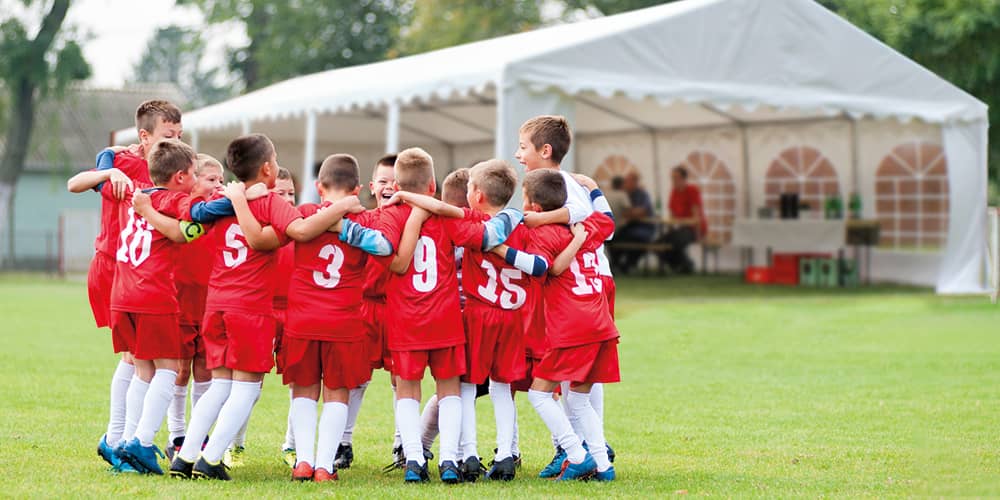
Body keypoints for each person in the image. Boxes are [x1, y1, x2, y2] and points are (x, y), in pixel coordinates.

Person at [168, 133, 361, 481]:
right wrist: (342, 207)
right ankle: (210, 460)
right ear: (269, 168)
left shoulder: (222, 199)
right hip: (249, 308)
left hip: (217, 303)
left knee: (220, 386)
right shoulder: (270, 202)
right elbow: (300, 230)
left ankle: (185, 456)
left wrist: (238, 198)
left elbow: (197, 214)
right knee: (247, 387)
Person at [375, 147, 520, 484]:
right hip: (444, 316)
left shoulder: (390, 216)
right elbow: (483, 232)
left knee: (407, 390)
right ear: (432, 186)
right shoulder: (446, 217)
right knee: (450, 389)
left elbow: (391, 263)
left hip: (406, 318)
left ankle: (413, 459)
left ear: (398, 184)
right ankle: (449, 460)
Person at [66, 99, 183, 473]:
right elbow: (75, 183)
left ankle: (118, 439)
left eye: (179, 135)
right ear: (145, 136)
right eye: (168, 135)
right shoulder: (123, 162)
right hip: (117, 268)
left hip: (140, 272)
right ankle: (122, 440)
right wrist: (106, 171)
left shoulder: (168, 166)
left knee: (136, 359)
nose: (174, 142)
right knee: (137, 359)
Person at [110, 139, 234, 475]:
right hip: (153, 294)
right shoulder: (170, 198)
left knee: (142, 370)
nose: (196, 180)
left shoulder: (139, 194)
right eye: (194, 174)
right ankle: (143, 442)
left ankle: (124, 444)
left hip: (122, 294)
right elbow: (193, 223)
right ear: (180, 176)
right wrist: (241, 199)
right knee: (167, 369)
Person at [514, 115, 615, 476]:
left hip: (578, 297)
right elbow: (603, 222)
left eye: (523, 147)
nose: (518, 154)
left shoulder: (564, 187)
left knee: (563, 381)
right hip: (591, 293)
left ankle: (577, 448)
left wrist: (536, 223)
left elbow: (578, 216)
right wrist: (596, 192)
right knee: (582, 381)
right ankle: (592, 450)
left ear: (545, 150)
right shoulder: (572, 186)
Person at [283, 154, 393, 482]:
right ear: (358, 189)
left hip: (301, 319)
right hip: (343, 321)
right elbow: (386, 248)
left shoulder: (303, 214)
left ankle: (302, 461)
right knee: (337, 392)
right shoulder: (365, 223)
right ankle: (325, 466)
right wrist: (347, 212)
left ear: (319, 187)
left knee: (303, 390)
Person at [165, 153, 224, 461]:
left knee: (205, 369)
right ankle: (176, 433)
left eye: (221, 180)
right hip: (181, 297)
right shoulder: (182, 209)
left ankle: (198, 435)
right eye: (211, 179)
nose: (218, 185)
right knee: (180, 368)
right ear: (192, 180)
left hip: (211, 300)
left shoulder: (222, 212)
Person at [660, 166, 707, 274]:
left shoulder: (692, 190)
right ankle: (683, 265)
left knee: (675, 242)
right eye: (672, 178)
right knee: (659, 244)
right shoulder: (674, 192)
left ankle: (686, 265)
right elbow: (672, 212)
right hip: (681, 228)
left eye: (676, 178)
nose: (674, 181)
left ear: (683, 178)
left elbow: (696, 214)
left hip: (693, 228)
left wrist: (698, 233)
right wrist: (671, 227)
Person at [614, 171, 656, 274]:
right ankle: (616, 265)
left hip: (644, 227)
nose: (626, 184)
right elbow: (625, 212)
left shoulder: (642, 194)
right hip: (630, 226)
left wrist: (630, 213)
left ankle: (627, 265)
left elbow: (643, 211)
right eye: (625, 181)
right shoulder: (623, 194)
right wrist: (632, 213)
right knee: (614, 238)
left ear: (635, 182)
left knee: (636, 239)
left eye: (628, 181)